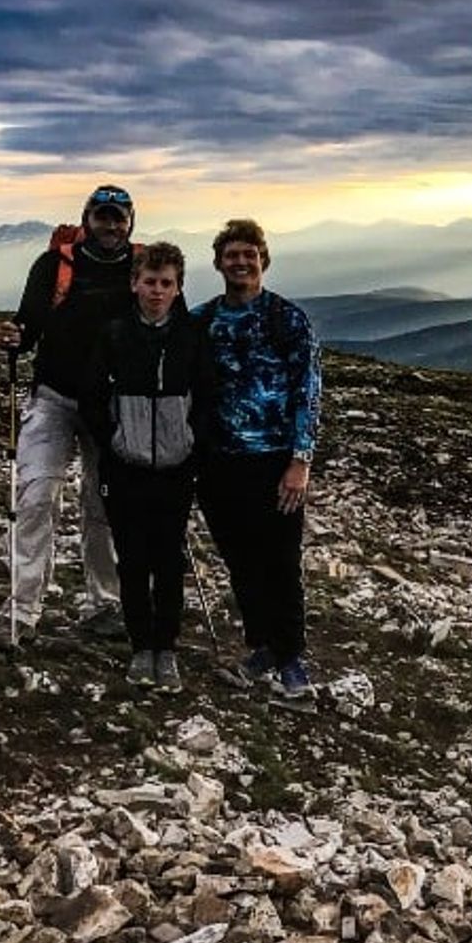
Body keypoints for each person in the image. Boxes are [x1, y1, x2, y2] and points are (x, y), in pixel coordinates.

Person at [0, 185, 137, 646]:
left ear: (131, 222)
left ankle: (104, 604)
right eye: (102, 216)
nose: (110, 225)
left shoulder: (140, 268)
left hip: (109, 404)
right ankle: (23, 610)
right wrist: (13, 334)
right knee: (35, 496)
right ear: (86, 218)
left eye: (118, 217)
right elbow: (29, 324)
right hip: (54, 396)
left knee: (103, 504)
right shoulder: (55, 266)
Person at [194, 218, 321, 698]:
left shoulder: (287, 319)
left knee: (280, 560)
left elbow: (308, 391)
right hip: (217, 462)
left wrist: (301, 460)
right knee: (241, 561)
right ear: (219, 263)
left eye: (249, 254)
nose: (241, 262)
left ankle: (291, 659)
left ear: (264, 260)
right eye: (232, 255)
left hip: (274, 461)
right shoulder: (203, 320)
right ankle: (262, 647)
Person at [82, 242, 206, 692]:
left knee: (169, 559)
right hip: (128, 466)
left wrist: (192, 444)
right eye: (150, 282)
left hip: (175, 465)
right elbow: (92, 396)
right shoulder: (114, 335)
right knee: (133, 560)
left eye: (166, 283)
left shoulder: (192, 336)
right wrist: (113, 442)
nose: (157, 291)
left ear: (178, 288)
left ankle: (166, 648)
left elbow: (206, 398)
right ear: (134, 283)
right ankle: (141, 649)